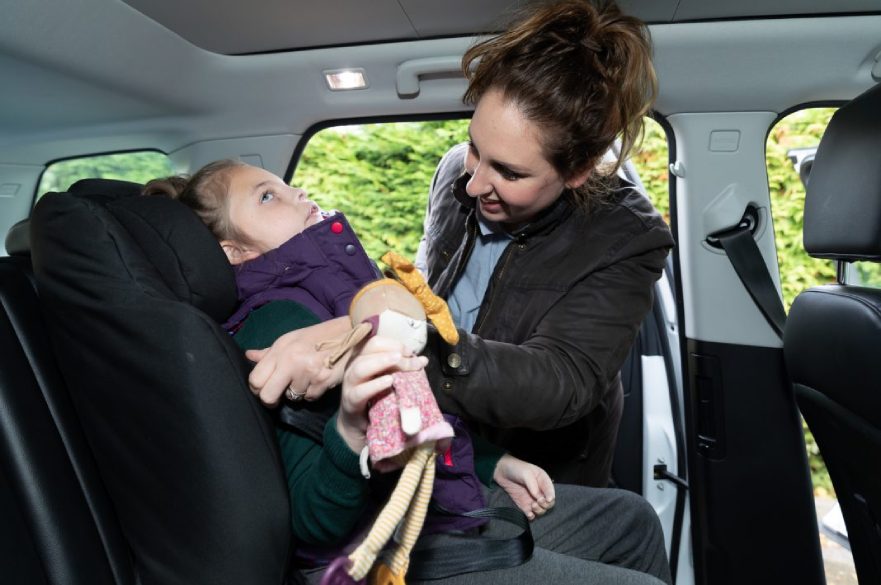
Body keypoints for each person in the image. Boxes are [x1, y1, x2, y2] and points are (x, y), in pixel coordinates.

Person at [144, 158, 672, 584]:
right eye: (267, 197)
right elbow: (313, 524)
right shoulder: (278, 325)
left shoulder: (344, 289)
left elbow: (416, 401)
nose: (298, 194)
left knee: (632, 519)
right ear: (232, 251)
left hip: (440, 495)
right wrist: (350, 432)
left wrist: (493, 462)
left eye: (286, 185)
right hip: (379, 546)